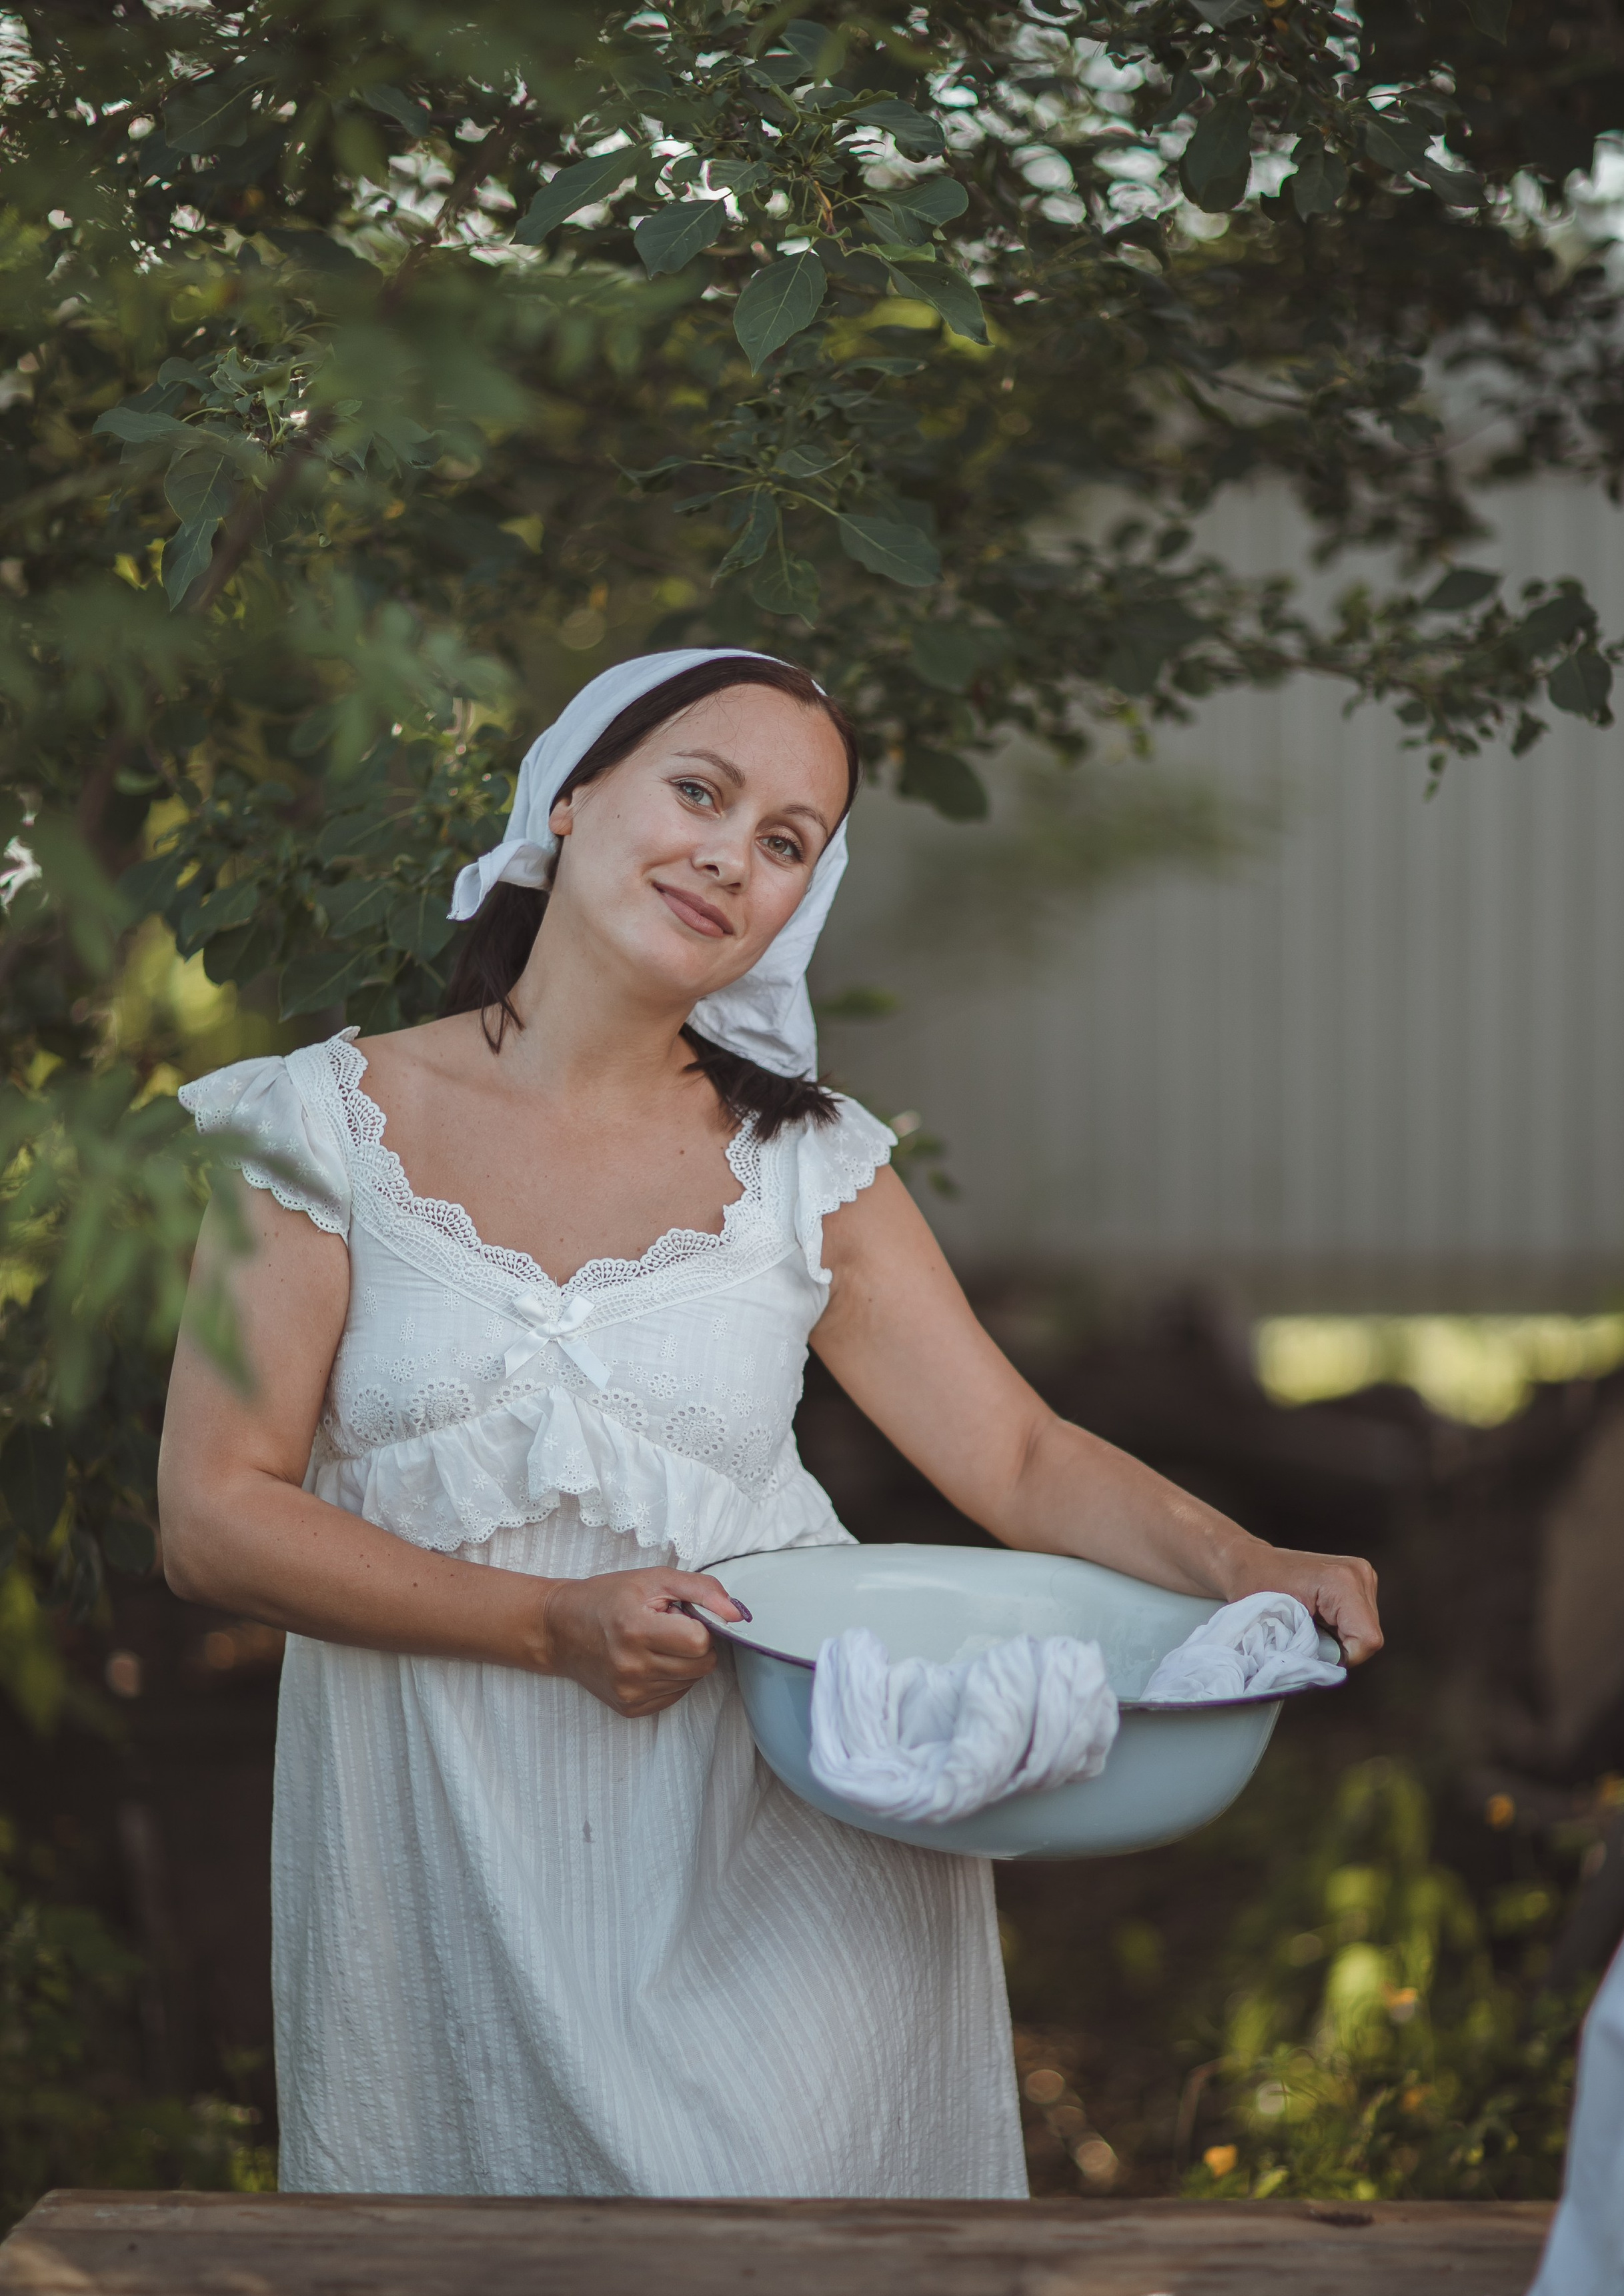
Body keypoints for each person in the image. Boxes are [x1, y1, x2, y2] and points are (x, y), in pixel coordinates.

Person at [157, 647, 1383, 2200]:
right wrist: (549, 1624)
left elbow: (1014, 1455)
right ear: (572, 792)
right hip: (452, 1852)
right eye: (700, 791)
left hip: (773, 1850)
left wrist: (1243, 1561)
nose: (735, 853)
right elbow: (213, 1516)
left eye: (790, 840)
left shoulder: (809, 1167)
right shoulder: (314, 1126)